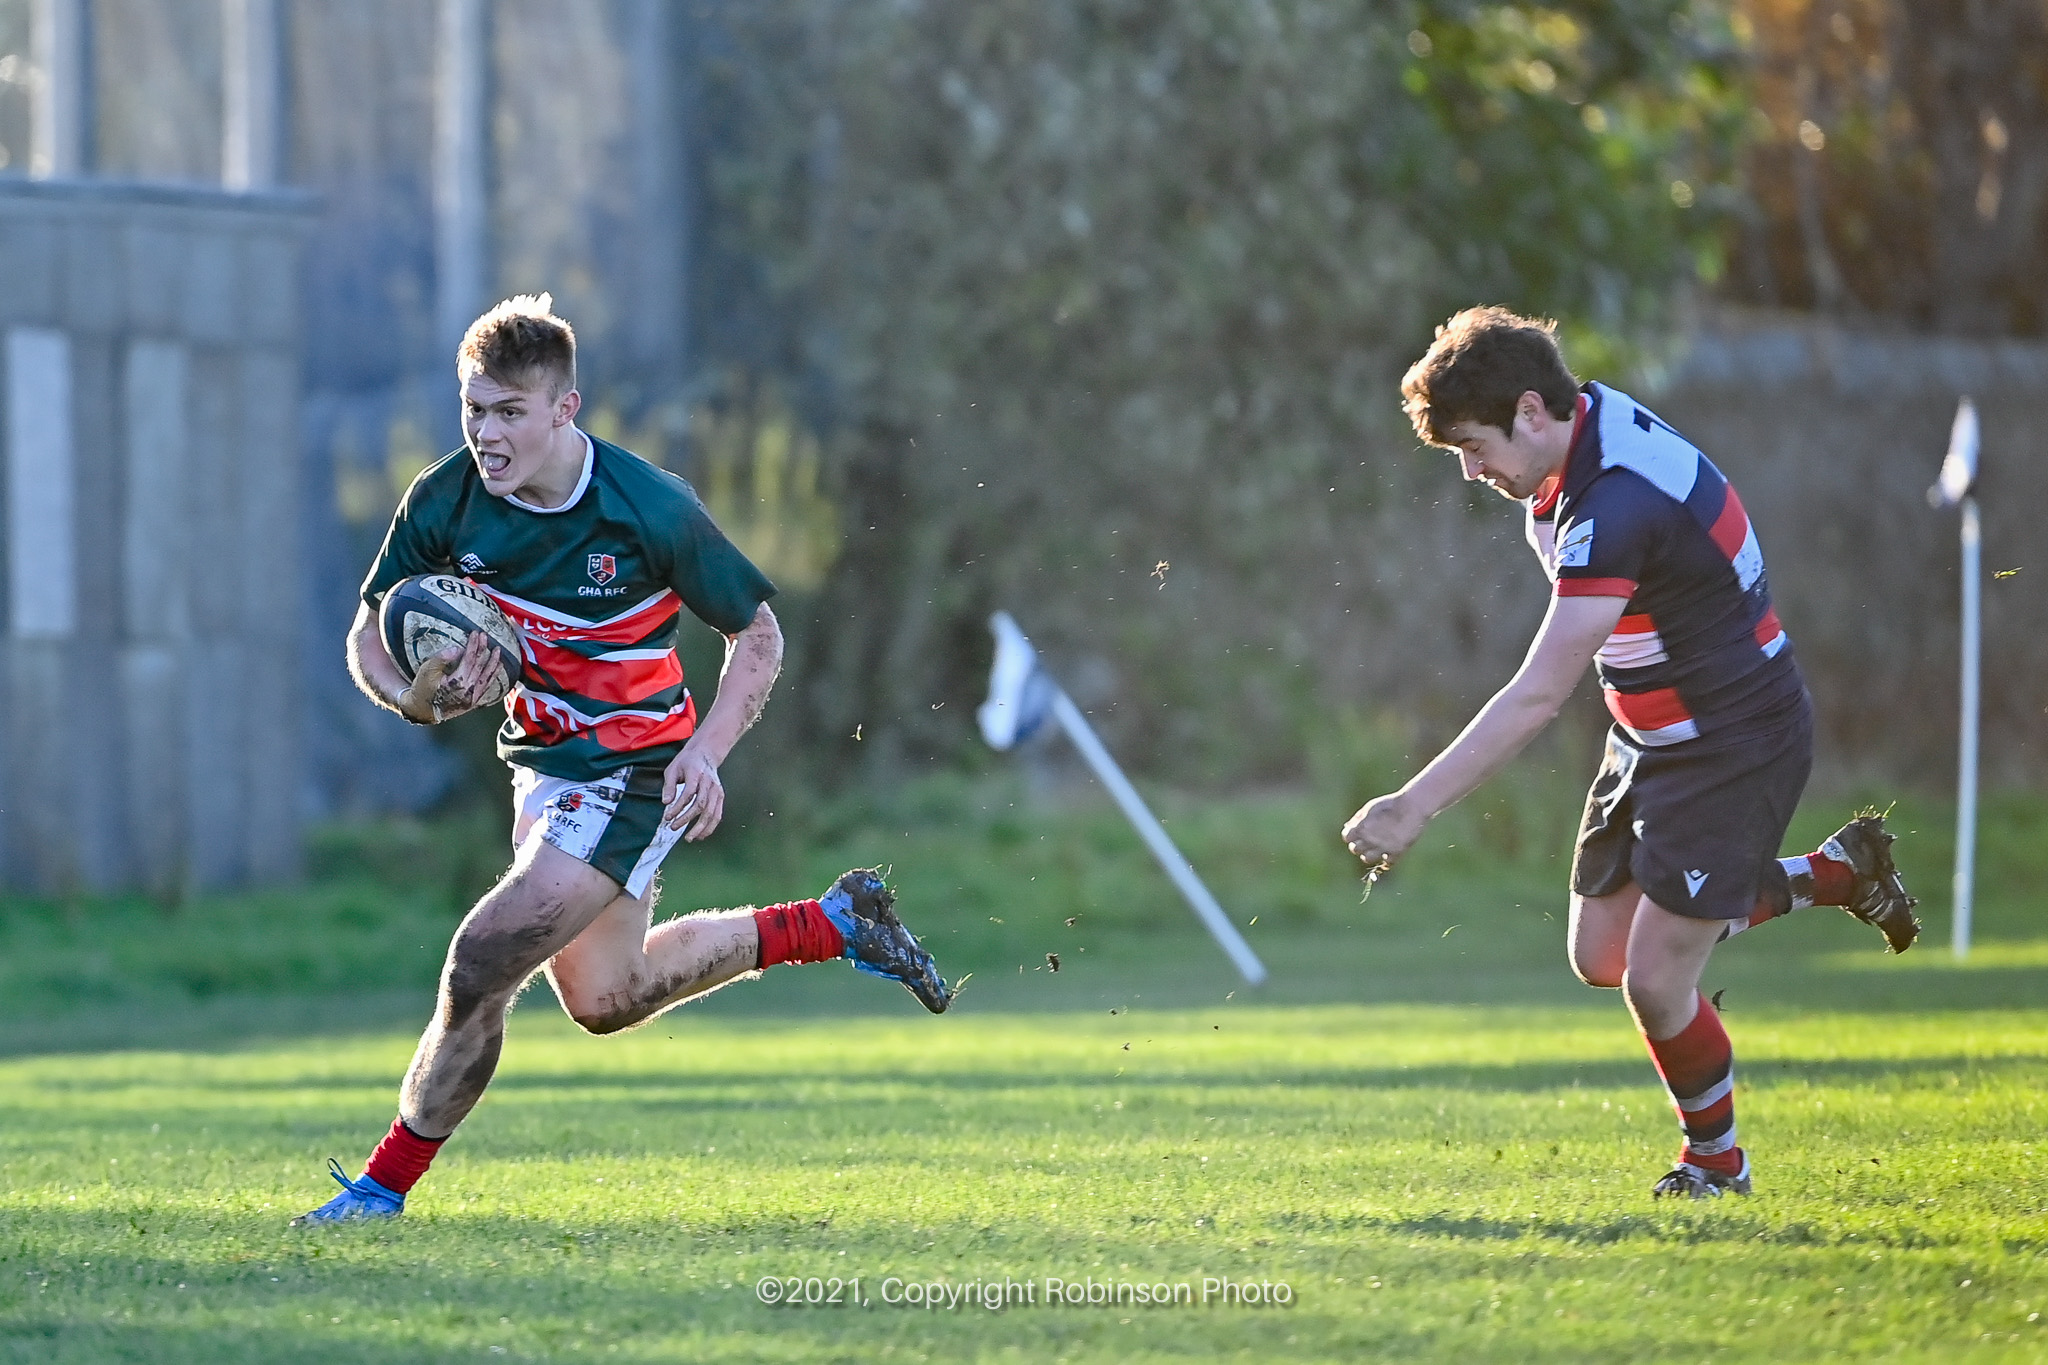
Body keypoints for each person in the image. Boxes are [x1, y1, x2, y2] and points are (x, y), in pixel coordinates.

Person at [294, 295, 954, 1225]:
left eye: (510, 411)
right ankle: (833, 922)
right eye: (474, 409)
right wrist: (410, 696)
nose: (487, 433)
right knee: (606, 997)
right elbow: (369, 631)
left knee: (481, 958)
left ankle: (378, 1190)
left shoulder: (649, 506)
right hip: (543, 767)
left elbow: (759, 635)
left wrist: (707, 754)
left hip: (633, 770)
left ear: (565, 408)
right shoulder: (445, 499)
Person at [1342, 307, 1918, 1200]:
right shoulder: (1579, 436)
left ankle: (1716, 1165)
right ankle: (1833, 874)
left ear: (1530, 410)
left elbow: (1539, 694)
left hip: (1733, 742)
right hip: (1651, 734)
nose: (1470, 470)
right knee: (1601, 955)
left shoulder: (1616, 501)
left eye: (1474, 447)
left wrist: (1412, 805)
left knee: (1654, 979)